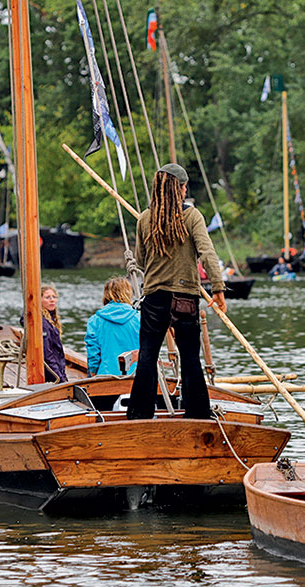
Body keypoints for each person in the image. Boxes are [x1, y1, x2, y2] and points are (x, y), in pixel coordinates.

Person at [126, 163, 227, 420]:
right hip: (185, 298)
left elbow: (139, 260)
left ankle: (139, 414)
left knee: (148, 356)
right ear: (180, 188)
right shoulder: (192, 216)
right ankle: (198, 413)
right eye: (184, 187)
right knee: (191, 358)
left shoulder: (144, 219)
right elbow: (207, 252)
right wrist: (217, 288)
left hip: (155, 297)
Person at [84, 277, 141, 376]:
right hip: (135, 376)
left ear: (106, 294)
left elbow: (93, 352)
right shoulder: (140, 318)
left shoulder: (95, 320)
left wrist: (93, 373)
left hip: (105, 376)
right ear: (128, 293)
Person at [40, 284, 68, 383]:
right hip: (51, 374)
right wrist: (60, 378)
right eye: (47, 297)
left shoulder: (50, 320)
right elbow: (47, 354)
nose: (52, 300)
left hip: (56, 369)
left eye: (54, 297)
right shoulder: (43, 324)